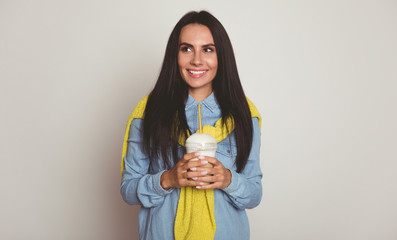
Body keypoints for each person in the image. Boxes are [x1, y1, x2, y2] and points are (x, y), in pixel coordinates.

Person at [120, 10, 262, 240]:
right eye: (186, 48)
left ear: (221, 56)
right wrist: (168, 179)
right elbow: (128, 190)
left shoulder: (244, 114)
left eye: (208, 49)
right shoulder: (148, 112)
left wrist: (228, 180)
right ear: (174, 56)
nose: (197, 60)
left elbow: (255, 193)